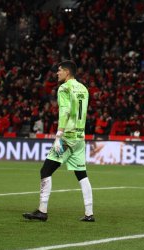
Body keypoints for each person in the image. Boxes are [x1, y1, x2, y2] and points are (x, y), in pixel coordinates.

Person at [23, 60, 94, 222]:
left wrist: (58, 135)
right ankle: (89, 213)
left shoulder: (64, 87)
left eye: (59, 70)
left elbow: (65, 111)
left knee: (45, 170)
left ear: (67, 72)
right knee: (81, 174)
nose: (57, 73)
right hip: (80, 137)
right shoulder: (83, 88)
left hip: (67, 138)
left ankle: (42, 211)